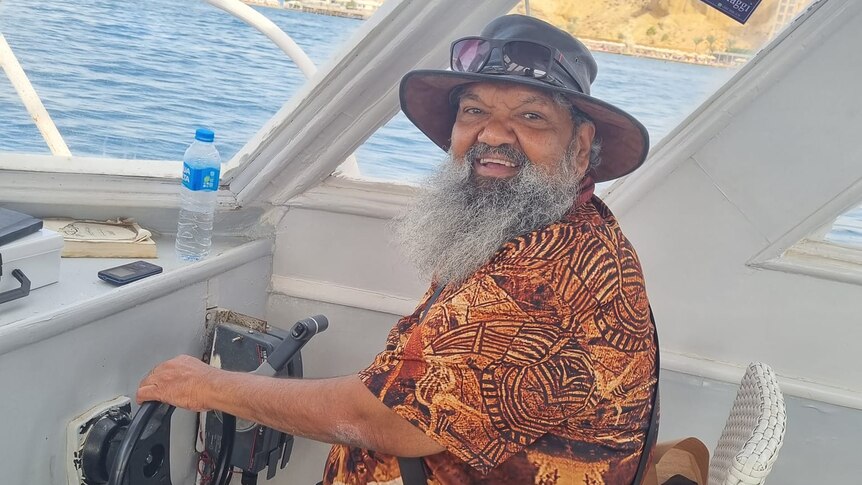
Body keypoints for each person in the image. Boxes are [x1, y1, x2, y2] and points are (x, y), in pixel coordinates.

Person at [138, 14, 657, 485]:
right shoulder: (543, 226)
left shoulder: (548, 271)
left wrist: (210, 386)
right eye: (474, 110)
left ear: (581, 145)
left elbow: (390, 421)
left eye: (532, 117)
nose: (493, 135)